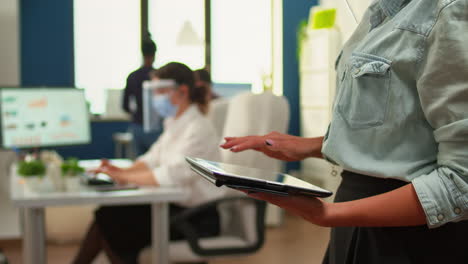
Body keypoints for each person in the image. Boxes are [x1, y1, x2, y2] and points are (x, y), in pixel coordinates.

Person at [221, 0, 468, 263]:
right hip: (356, 222)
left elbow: (460, 183)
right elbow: (398, 131)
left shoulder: (448, 12)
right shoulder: (378, 13)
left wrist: (327, 214)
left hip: (408, 238)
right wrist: (312, 146)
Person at [73, 62, 224, 264]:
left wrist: (123, 177)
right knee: (108, 216)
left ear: (182, 91)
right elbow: (151, 159)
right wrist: (119, 170)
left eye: (160, 91)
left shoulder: (198, 128)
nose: (156, 98)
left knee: (110, 219)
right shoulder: (174, 124)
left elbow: (171, 175)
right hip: (175, 209)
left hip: (195, 219)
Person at [122, 36, 163, 156]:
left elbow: (125, 105)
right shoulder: (158, 76)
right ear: (155, 54)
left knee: (140, 164)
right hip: (156, 127)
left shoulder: (132, 76)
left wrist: (137, 114)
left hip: (137, 126)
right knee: (157, 163)